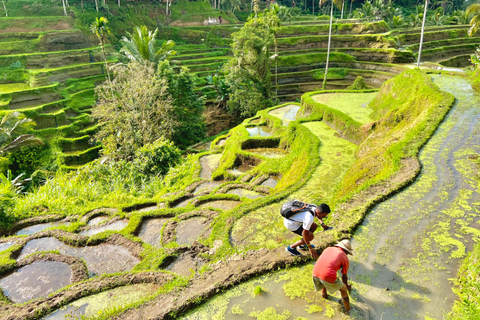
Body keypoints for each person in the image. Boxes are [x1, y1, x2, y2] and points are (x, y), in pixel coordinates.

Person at [312, 239, 353, 311]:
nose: (347, 254)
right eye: (347, 253)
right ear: (346, 251)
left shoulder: (328, 248)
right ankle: (348, 309)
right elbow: (344, 276)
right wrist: (346, 286)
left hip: (315, 272)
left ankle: (324, 296)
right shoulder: (344, 257)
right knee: (343, 289)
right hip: (327, 275)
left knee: (323, 282)